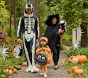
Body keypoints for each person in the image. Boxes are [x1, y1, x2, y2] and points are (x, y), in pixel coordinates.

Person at [17, 2, 39, 72]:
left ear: (32, 9)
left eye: (30, 9)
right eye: (28, 9)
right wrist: (18, 37)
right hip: (25, 35)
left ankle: (34, 65)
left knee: (32, 50)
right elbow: (19, 27)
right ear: (25, 9)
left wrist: (38, 37)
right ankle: (29, 65)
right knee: (26, 50)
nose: (29, 10)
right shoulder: (22, 18)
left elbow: (37, 28)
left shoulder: (35, 18)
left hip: (33, 34)